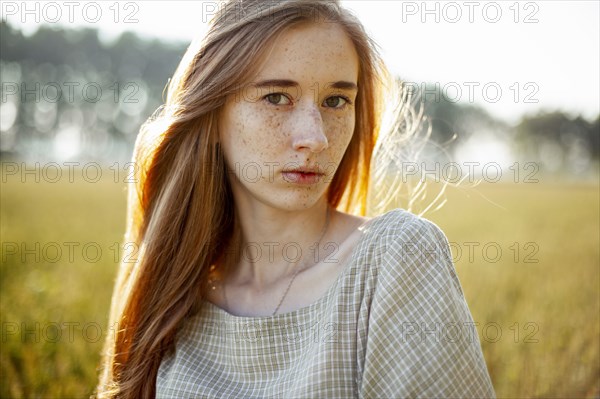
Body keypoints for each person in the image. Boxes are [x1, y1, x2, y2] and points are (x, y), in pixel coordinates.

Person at [96, 0, 495, 397]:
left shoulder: (397, 259)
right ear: (212, 114)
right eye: (276, 97)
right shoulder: (171, 294)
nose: (315, 137)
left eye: (336, 101)